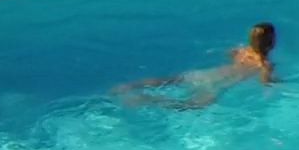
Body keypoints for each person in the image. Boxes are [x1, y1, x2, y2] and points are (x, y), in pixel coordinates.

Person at [117, 22, 279, 109]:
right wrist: (277, 81)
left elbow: (229, 54)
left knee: (171, 80)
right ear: (270, 43)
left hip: (208, 74)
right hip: (220, 83)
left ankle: (129, 86)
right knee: (192, 105)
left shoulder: (240, 50)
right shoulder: (264, 64)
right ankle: (147, 99)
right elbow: (265, 83)